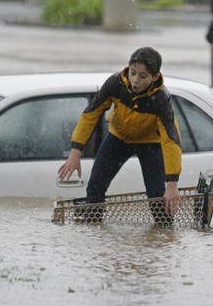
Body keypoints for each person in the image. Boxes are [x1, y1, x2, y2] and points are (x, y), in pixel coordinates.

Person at [57, 47, 182, 219]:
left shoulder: (161, 99)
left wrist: (172, 184)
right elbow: (91, 114)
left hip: (150, 143)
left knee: (157, 196)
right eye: (133, 73)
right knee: (95, 186)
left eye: (143, 76)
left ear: (155, 77)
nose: (135, 80)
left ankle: (164, 238)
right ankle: (93, 232)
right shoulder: (116, 84)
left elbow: (171, 141)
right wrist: (75, 152)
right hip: (119, 138)